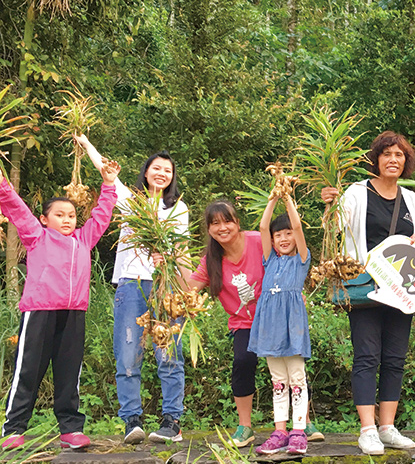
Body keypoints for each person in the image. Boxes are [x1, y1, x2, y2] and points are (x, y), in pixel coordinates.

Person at [0, 155, 119, 451]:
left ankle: (70, 429)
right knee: (28, 370)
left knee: (69, 373)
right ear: (44, 219)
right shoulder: (36, 236)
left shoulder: (84, 239)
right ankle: (14, 428)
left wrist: (108, 184)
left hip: (74, 313)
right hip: (40, 312)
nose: (67, 220)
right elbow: (15, 206)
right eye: (60, 215)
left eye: (71, 215)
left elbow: (102, 215)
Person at [76, 135, 188, 444]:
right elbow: (105, 170)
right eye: (156, 168)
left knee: (168, 355)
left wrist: (167, 256)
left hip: (166, 285)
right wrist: (86, 143)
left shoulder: (178, 209)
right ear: (146, 171)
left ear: (172, 177)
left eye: (167, 170)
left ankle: (172, 421)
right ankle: (132, 421)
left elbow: (183, 252)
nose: (161, 173)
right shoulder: (130, 199)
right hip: (130, 285)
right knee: (128, 355)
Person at [321, 131, 415, 456]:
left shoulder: (411, 199)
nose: (393, 159)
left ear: (405, 161)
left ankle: (387, 427)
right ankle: (367, 430)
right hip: (365, 288)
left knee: (395, 359)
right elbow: (333, 230)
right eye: (387, 154)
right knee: (366, 357)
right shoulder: (355, 193)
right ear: (376, 160)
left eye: (399, 155)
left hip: (400, 290)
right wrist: (329, 205)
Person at [184, 200, 263, 448]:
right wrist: (168, 263)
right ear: (208, 229)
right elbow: (189, 291)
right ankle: (245, 426)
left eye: (227, 221)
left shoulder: (259, 241)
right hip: (243, 322)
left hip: (273, 316)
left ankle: (303, 422)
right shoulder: (211, 260)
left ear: (237, 223)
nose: (222, 227)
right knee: (242, 362)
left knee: (289, 366)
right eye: (215, 223)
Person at [249, 193, 312, 456]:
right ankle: (279, 431)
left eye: (288, 234)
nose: (284, 238)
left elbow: (298, 227)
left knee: (297, 377)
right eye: (279, 235)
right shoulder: (270, 260)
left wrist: (288, 199)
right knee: (277, 380)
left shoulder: (302, 259)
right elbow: (263, 227)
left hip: (293, 325)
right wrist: (273, 199)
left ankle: (299, 431)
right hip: (269, 326)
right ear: (273, 241)